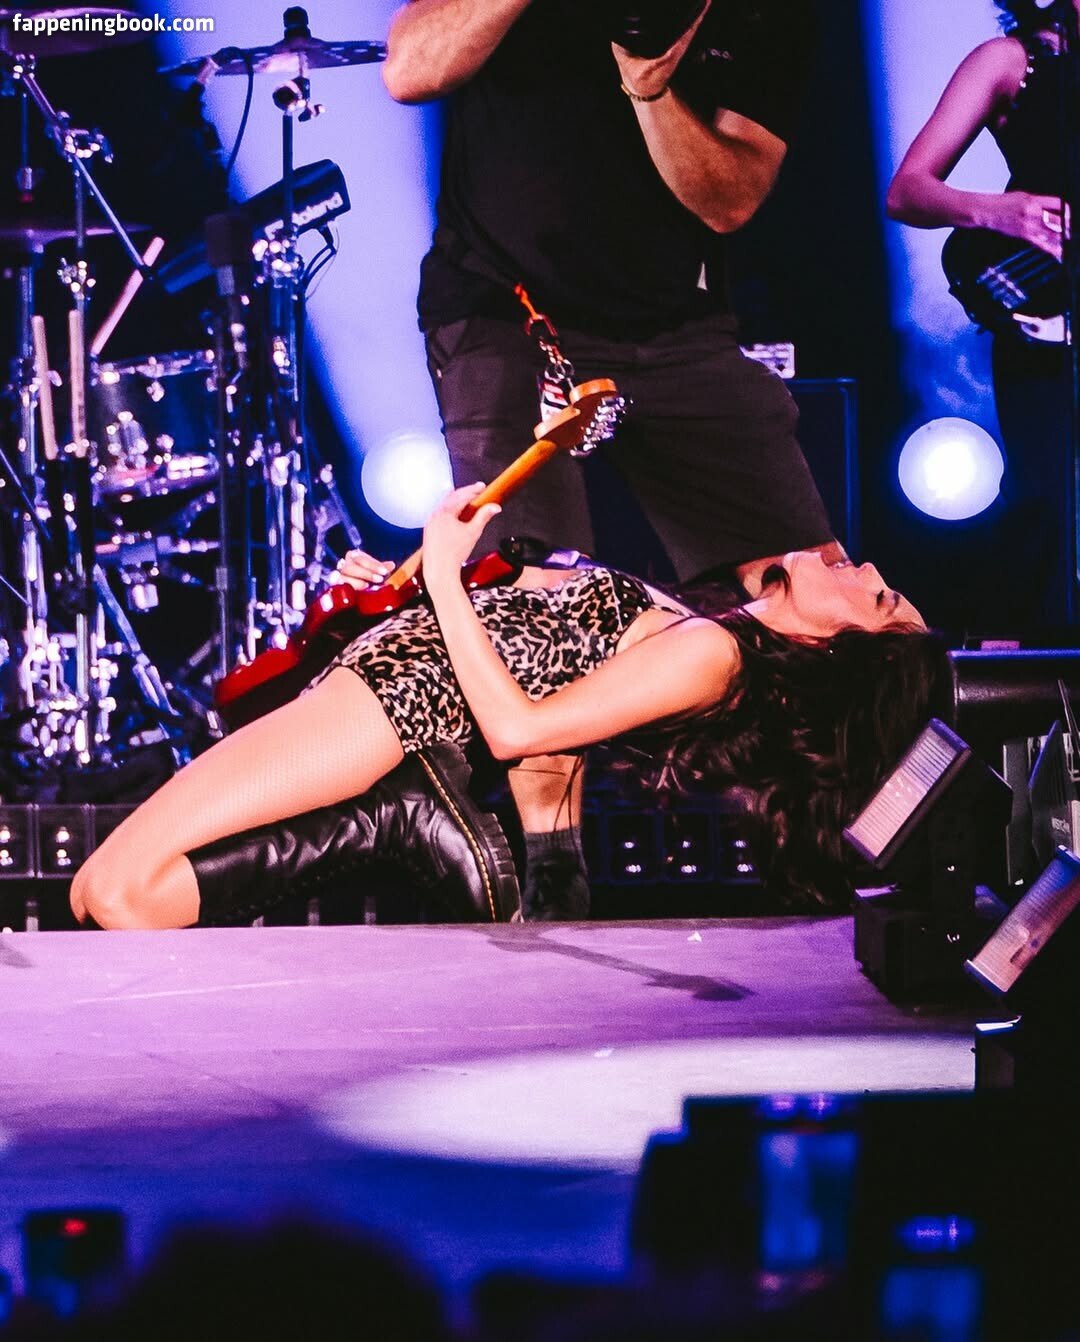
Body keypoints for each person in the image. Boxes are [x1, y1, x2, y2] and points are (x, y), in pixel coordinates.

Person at [378, 0, 847, 909]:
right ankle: (551, 872)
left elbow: (731, 198)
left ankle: (852, 848)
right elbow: (410, 69)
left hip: (677, 325)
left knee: (819, 585)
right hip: (509, 312)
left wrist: (651, 91)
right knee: (537, 594)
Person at [70, 483, 945, 930]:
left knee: (115, 893)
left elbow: (521, 728)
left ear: (836, 649)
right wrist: (411, 583)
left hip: (405, 695)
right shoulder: (712, 629)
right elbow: (547, 712)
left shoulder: (715, 658)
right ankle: (392, 818)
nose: (868, 569)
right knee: (114, 894)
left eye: (879, 600)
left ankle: (394, 818)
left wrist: (445, 574)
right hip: (398, 674)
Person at [886, 0, 1076, 634]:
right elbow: (907, 190)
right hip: (1049, 327)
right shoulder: (1011, 61)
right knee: (1049, 509)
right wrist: (1000, 211)